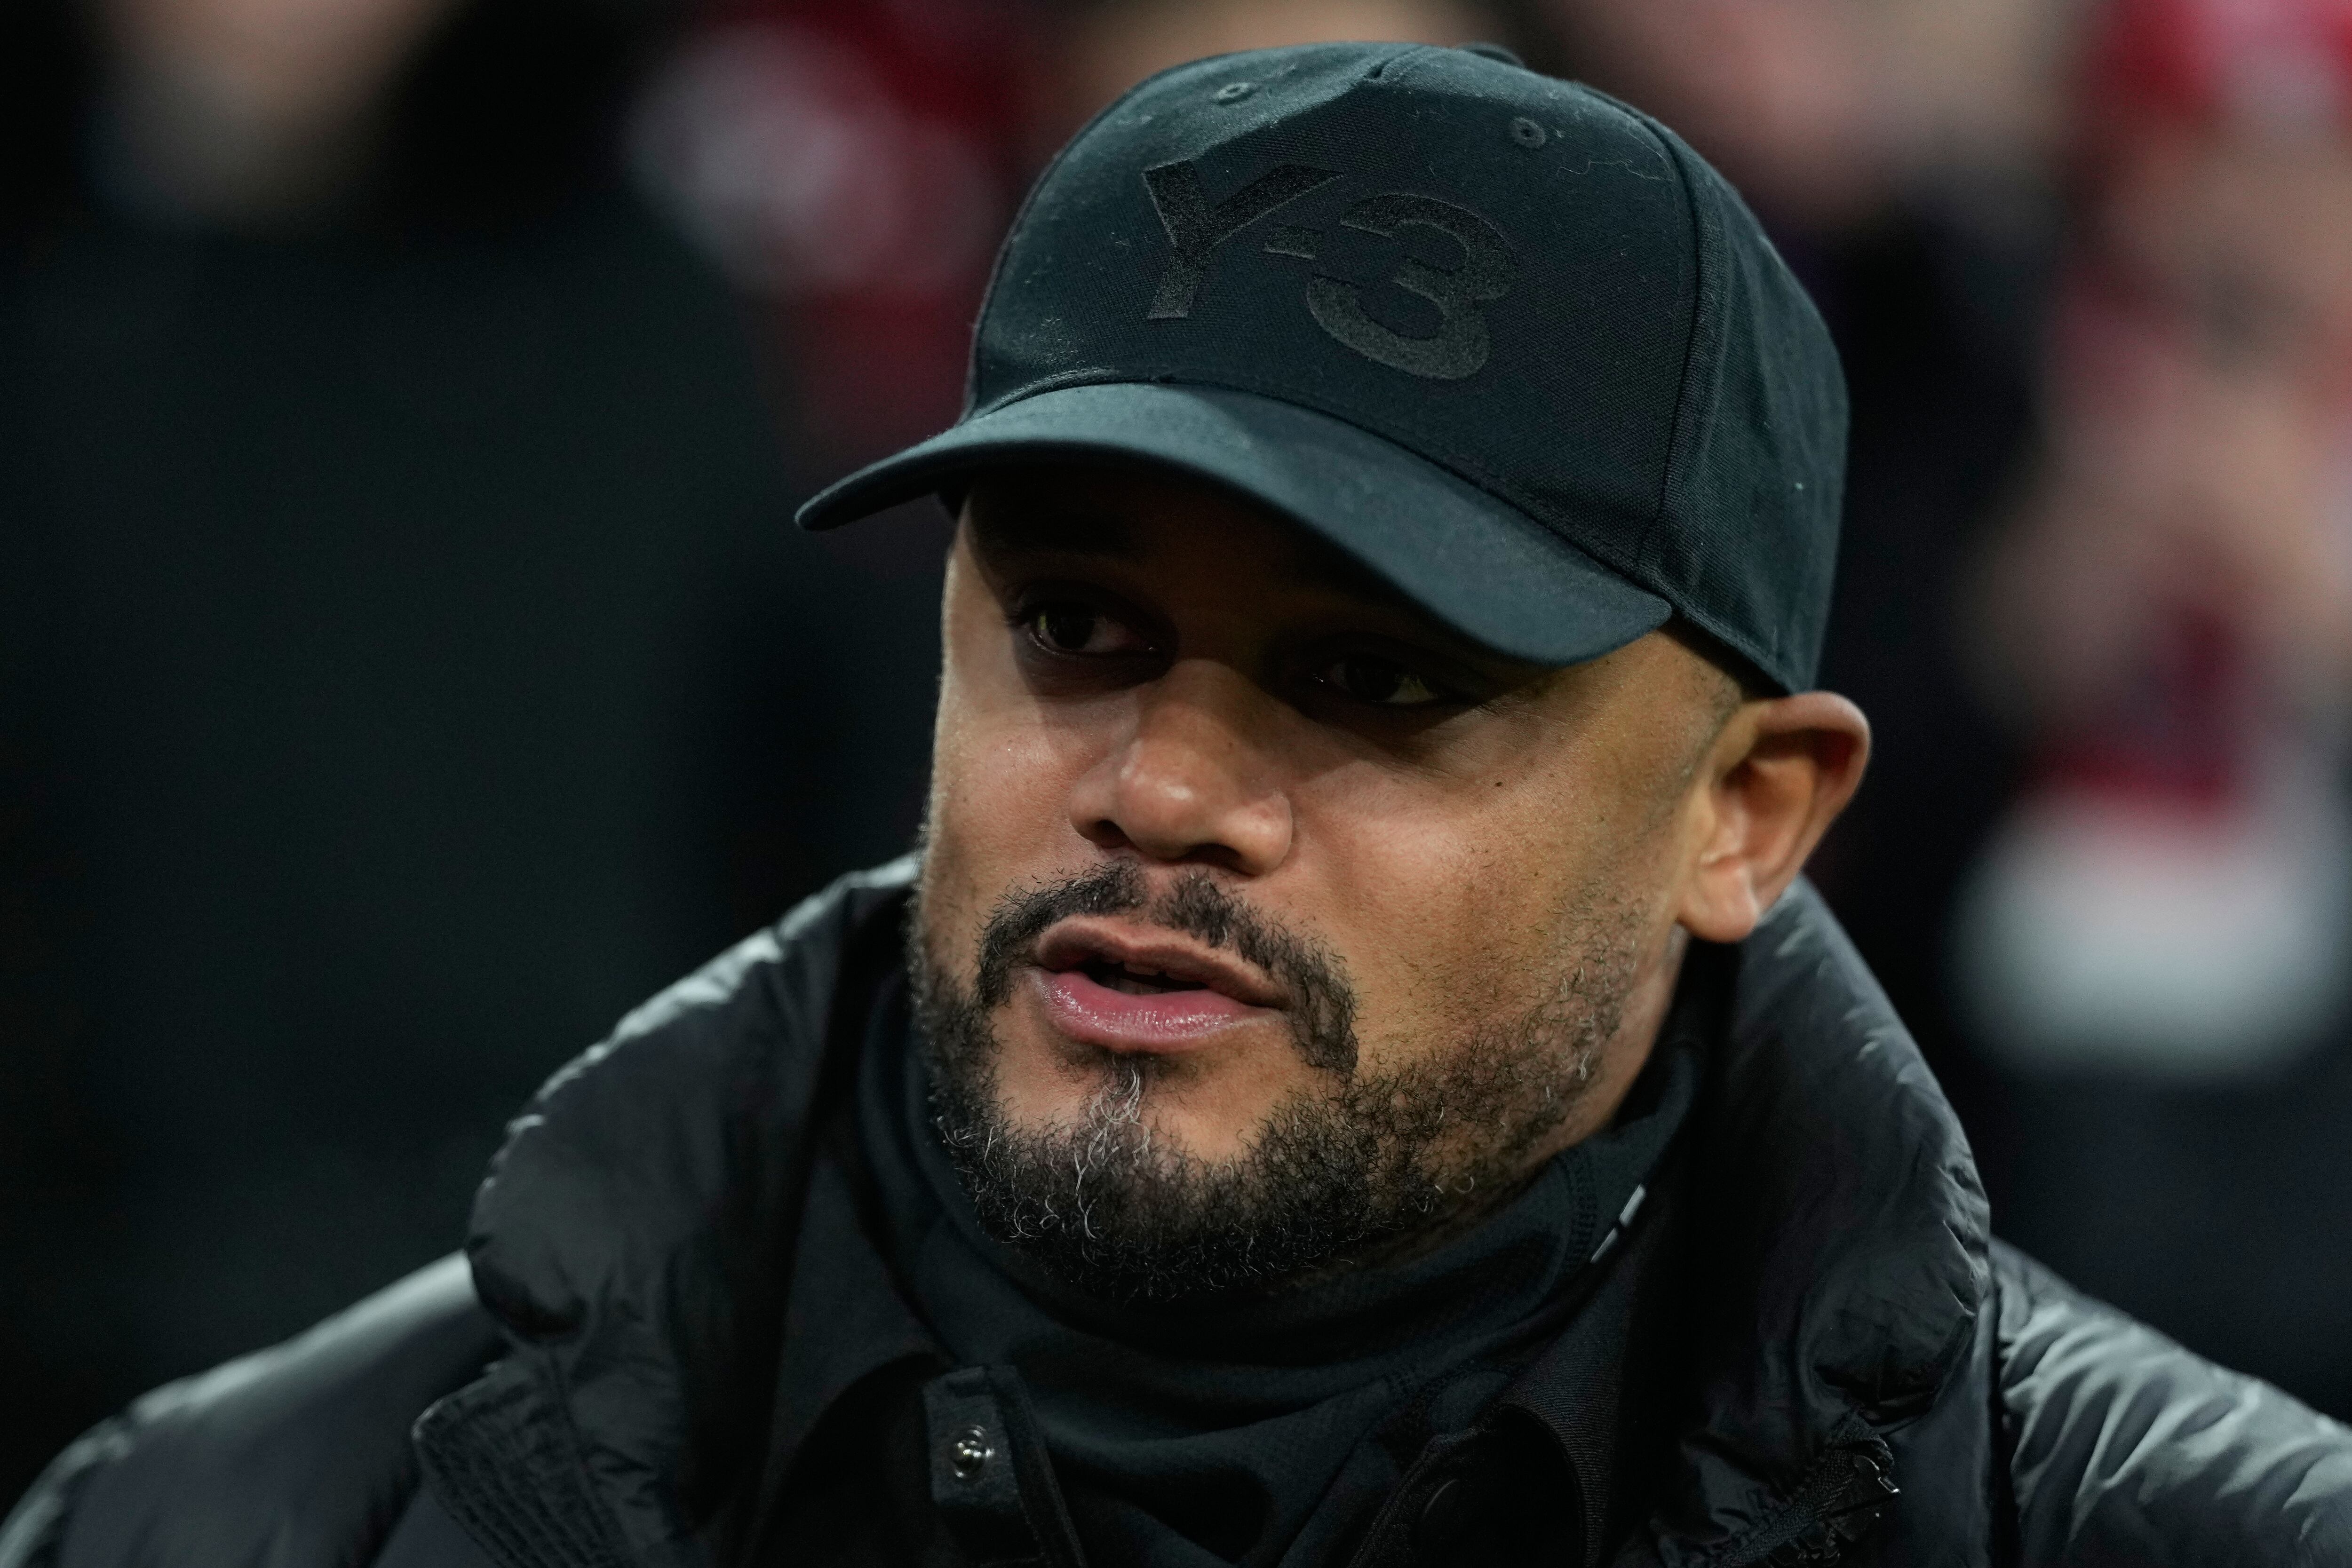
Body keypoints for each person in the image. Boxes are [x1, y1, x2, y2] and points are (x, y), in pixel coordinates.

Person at [8, 40, 2349, 1568]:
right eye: (1077, 633)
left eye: (1369, 677)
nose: (1165, 791)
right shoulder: (246, 1524)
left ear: (1745, 811)